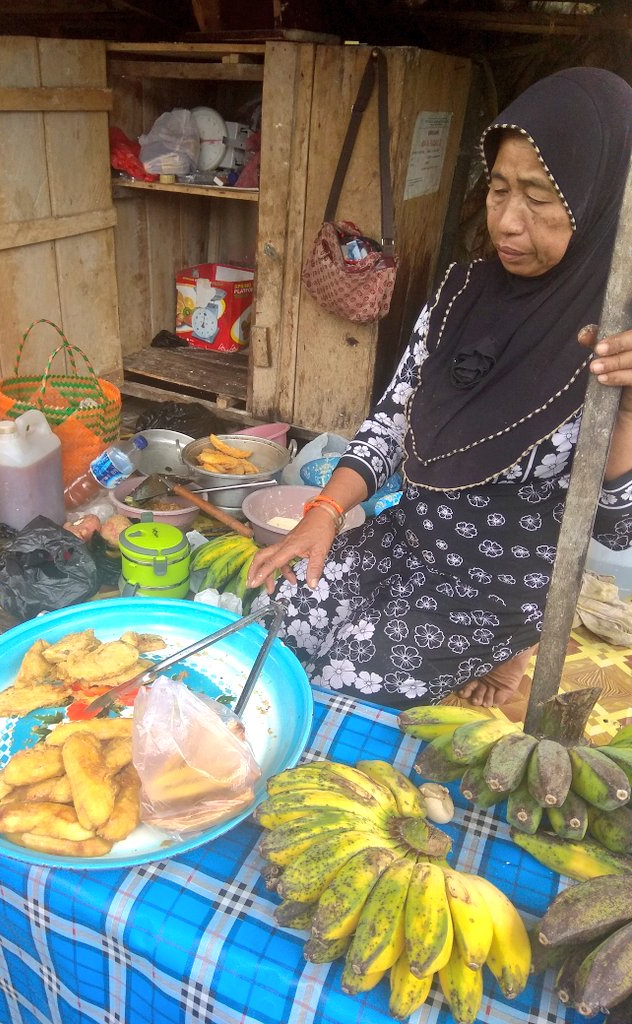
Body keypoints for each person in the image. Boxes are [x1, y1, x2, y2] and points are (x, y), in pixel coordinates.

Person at [247, 66, 632, 710]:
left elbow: (618, 534)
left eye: (538, 198)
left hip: (495, 588)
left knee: (342, 683)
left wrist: (627, 417)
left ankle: (508, 654)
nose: (507, 222)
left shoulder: (616, 339)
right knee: (278, 617)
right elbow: (391, 423)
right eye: (499, 189)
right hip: (410, 538)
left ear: (600, 203)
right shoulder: (461, 291)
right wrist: (323, 514)